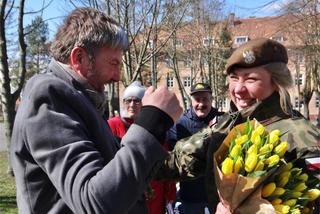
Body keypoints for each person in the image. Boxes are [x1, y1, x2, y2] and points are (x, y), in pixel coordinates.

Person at [10, 8, 184, 214]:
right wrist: (153, 119)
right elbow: (93, 201)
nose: (117, 76)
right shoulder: (48, 95)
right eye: (113, 63)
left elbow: (112, 171)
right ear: (80, 58)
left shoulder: (83, 99)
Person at [202, 38, 319, 213]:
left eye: (250, 79)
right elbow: (177, 162)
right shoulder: (224, 126)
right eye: (234, 78)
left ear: (276, 81)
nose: (238, 89)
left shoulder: (303, 135)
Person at [108, 81, 176, 214]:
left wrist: (170, 194)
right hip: (125, 192)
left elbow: (166, 159)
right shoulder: (113, 125)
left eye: (137, 101)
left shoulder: (154, 126)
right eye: (128, 101)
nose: (132, 105)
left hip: (155, 191)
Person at [167, 83, 224, 214]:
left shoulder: (223, 120)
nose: (201, 104)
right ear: (191, 101)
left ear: (211, 100)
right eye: (197, 100)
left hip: (217, 195)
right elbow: (173, 156)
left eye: (205, 99)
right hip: (190, 194)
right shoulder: (180, 124)